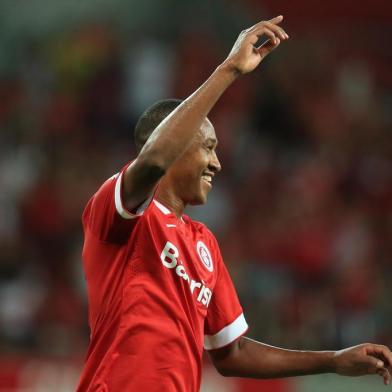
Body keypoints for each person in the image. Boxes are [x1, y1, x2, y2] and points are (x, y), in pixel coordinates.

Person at [77, 15, 392, 391]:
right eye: (208, 147)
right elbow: (155, 160)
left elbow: (233, 352)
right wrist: (229, 69)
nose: (217, 163)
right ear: (176, 147)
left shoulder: (203, 243)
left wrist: (334, 360)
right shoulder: (118, 213)